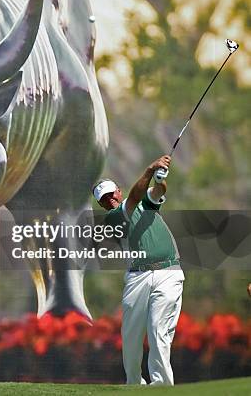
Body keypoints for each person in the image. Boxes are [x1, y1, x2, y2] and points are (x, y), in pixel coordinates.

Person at [93, 155, 185, 385]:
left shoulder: (146, 202)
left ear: (118, 191)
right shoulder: (113, 217)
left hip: (168, 273)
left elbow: (156, 192)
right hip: (138, 278)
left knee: (158, 331)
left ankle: (162, 385)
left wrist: (160, 177)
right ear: (102, 205)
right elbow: (135, 196)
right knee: (132, 336)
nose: (110, 200)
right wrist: (150, 169)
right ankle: (134, 384)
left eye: (111, 194)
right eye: (104, 199)